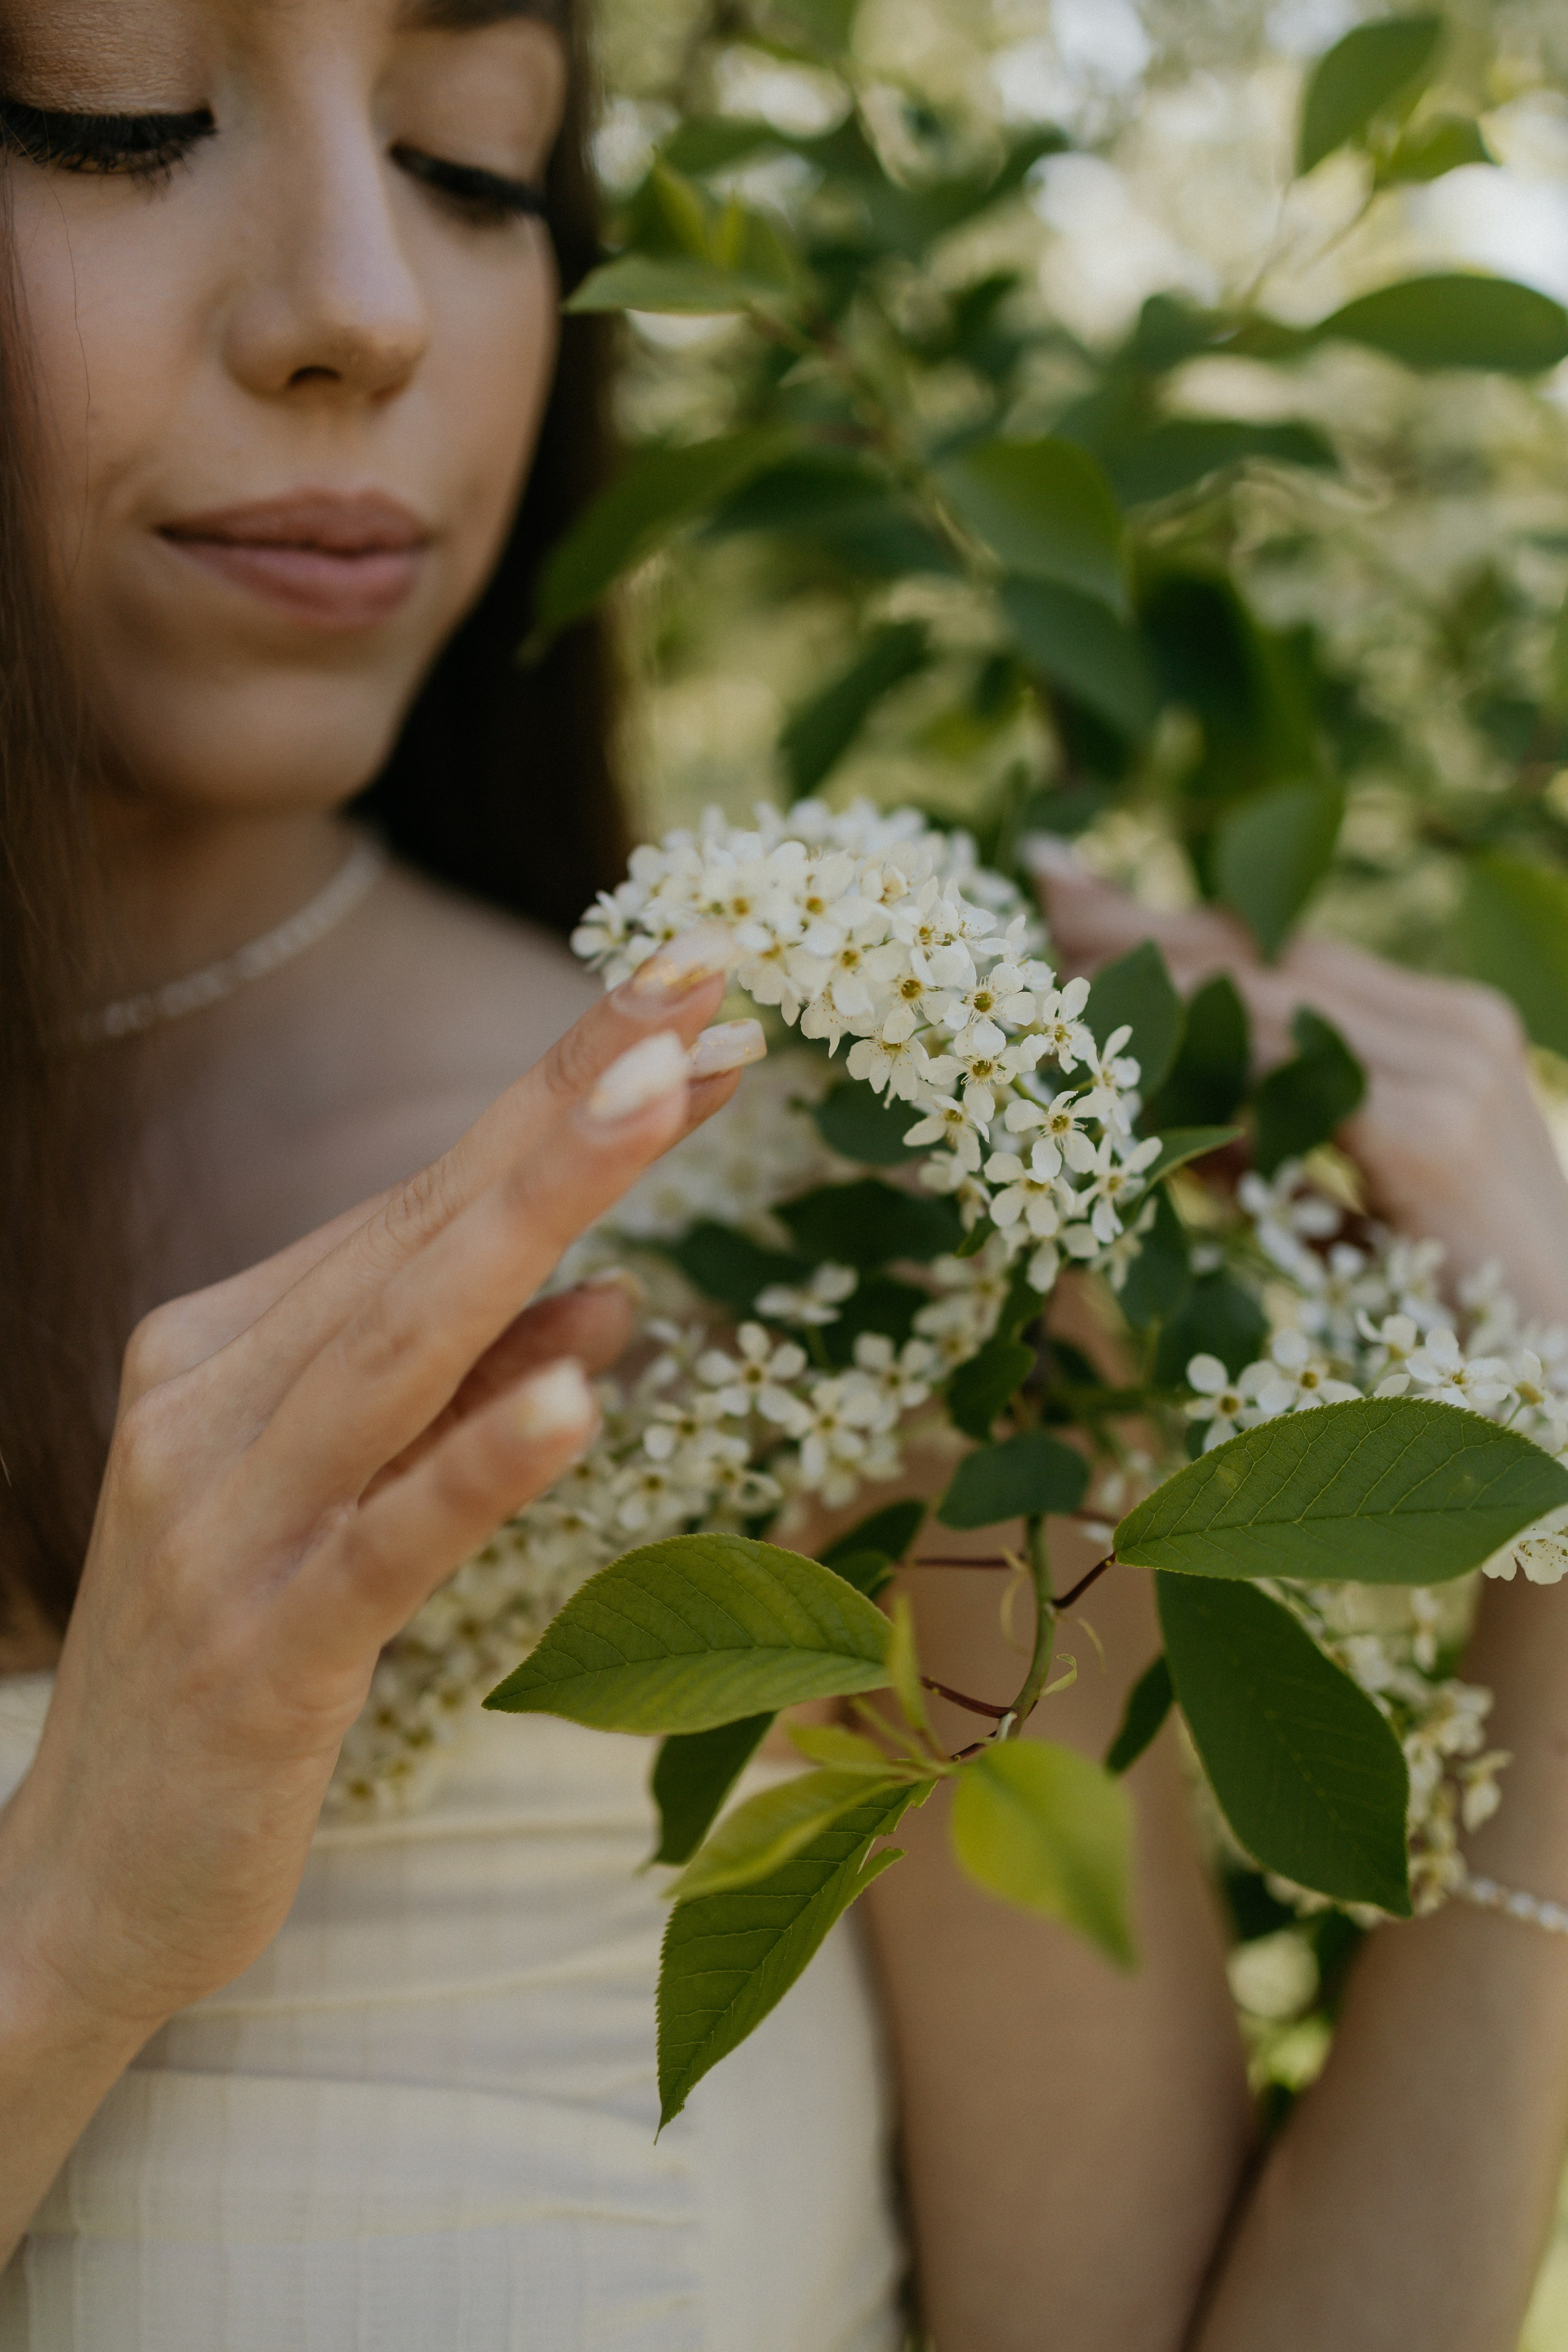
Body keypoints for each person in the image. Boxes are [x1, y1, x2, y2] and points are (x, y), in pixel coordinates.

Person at [1, 3, 1567, 2348]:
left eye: (472, 158)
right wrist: (80, 1916)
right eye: (113, 117)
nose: (367, 305)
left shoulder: (840, 1248)